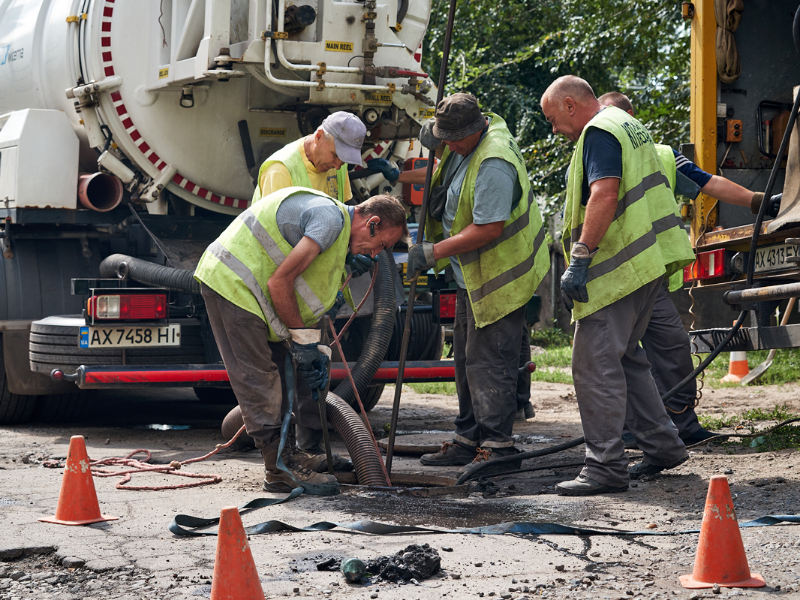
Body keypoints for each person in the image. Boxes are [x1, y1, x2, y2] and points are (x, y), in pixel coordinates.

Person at [195, 188, 408, 494]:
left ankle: (289, 453)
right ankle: (278, 471)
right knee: (259, 377)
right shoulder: (329, 220)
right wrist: (304, 342)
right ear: (372, 223)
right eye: (379, 245)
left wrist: (347, 261)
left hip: (255, 295)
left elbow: (309, 291)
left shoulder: (337, 237)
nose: (374, 255)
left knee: (284, 374)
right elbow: (278, 282)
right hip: (233, 284)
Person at [541, 75, 695, 496]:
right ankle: (663, 446)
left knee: (594, 365)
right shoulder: (629, 125)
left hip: (616, 269)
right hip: (647, 264)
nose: (555, 130)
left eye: (554, 119)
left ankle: (605, 466)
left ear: (571, 104)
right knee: (627, 360)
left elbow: (605, 194)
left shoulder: (599, 131)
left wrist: (581, 256)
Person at [597, 91, 776, 447]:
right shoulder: (597, 151)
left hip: (653, 274)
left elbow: (709, 182)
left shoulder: (661, 155)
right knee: (621, 356)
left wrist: (758, 201)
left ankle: (684, 425)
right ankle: (629, 431)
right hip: (616, 277)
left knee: (673, 350)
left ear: (632, 118)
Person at [407, 93, 549, 473]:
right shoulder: (466, 145)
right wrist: (436, 139)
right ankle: (469, 439)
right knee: (467, 360)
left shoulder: (493, 161)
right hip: (473, 273)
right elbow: (449, 163)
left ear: (474, 131)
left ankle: (498, 449)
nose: (448, 146)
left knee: (489, 362)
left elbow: (488, 227)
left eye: (453, 140)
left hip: (500, 276)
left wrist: (434, 251)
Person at [253, 111, 366, 203]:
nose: (337, 166)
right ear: (319, 136)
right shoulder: (279, 171)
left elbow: (346, 206)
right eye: (335, 155)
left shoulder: (340, 163)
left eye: (344, 159)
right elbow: (273, 229)